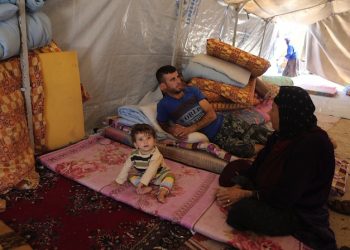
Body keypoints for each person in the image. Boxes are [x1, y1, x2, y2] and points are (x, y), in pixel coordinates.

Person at [215, 86, 337, 250]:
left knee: (240, 213)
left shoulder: (311, 146)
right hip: (276, 189)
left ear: (287, 114)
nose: (269, 114)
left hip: (296, 208)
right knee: (231, 172)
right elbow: (259, 163)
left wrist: (245, 193)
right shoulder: (283, 133)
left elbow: (286, 196)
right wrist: (239, 185)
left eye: (274, 109)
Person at [155, 65, 271, 158]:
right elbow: (162, 123)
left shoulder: (192, 91)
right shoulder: (163, 105)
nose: (178, 81)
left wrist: (190, 129)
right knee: (245, 150)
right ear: (163, 86)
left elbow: (211, 115)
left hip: (226, 122)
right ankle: (272, 152)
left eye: (178, 77)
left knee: (262, 134)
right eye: (172, 79)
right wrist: (172, 130)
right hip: (216, 137)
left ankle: (280, 146)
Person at [115, 124, 174, 203]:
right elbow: (126, 166)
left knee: (170, 177)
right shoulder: (134, 155)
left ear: (155, 140)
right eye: (140, 139)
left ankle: (162, 192)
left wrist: (142, 183)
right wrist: (119, 180)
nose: (145, 142)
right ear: (136, 144)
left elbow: (151, 170)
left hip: (159, 174)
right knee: (131, 176)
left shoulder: (157, 155)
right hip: (142, 174)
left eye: (148, 138)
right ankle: (144, 188)